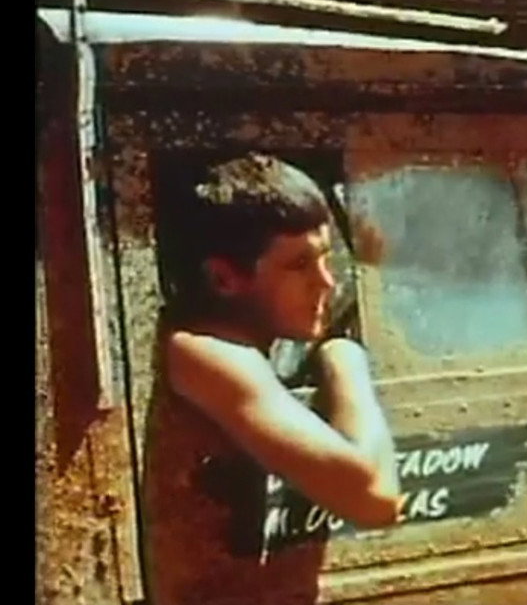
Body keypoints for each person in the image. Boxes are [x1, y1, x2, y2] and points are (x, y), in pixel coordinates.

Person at [143, 152, 401, 605]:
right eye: (299, 265)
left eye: (325, 258)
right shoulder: (202, 352)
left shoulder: (258, 344)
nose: (326, 283)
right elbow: (375, 498)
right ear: (224, 279)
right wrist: (346, 362)